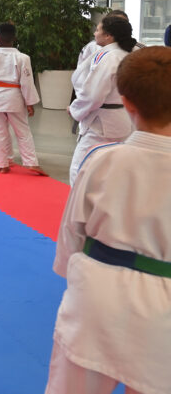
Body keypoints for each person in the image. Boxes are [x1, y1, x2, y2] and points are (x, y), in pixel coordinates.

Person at [46, 47, 171, 394]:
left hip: (97, 297)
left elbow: (72, 235)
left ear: (127, 102)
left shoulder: (101, 161)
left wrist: (70, 275)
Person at [67, 15, 136, 185]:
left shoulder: (108, 57)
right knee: (111, 171)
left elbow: (93, 95)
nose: (95, 33)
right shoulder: (128, 55)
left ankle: (83, 210)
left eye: (97, 30)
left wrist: (75, 110)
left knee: (80, 169)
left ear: (108, 36)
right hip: (123, 119)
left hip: (100, 124)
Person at [0, 22, 42, 175]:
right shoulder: (23, 58)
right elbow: (27, 82)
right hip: (15, 99)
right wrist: (29, 103)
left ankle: (2, 164)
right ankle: (31, 162)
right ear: (14, 38)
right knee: (23, 132)